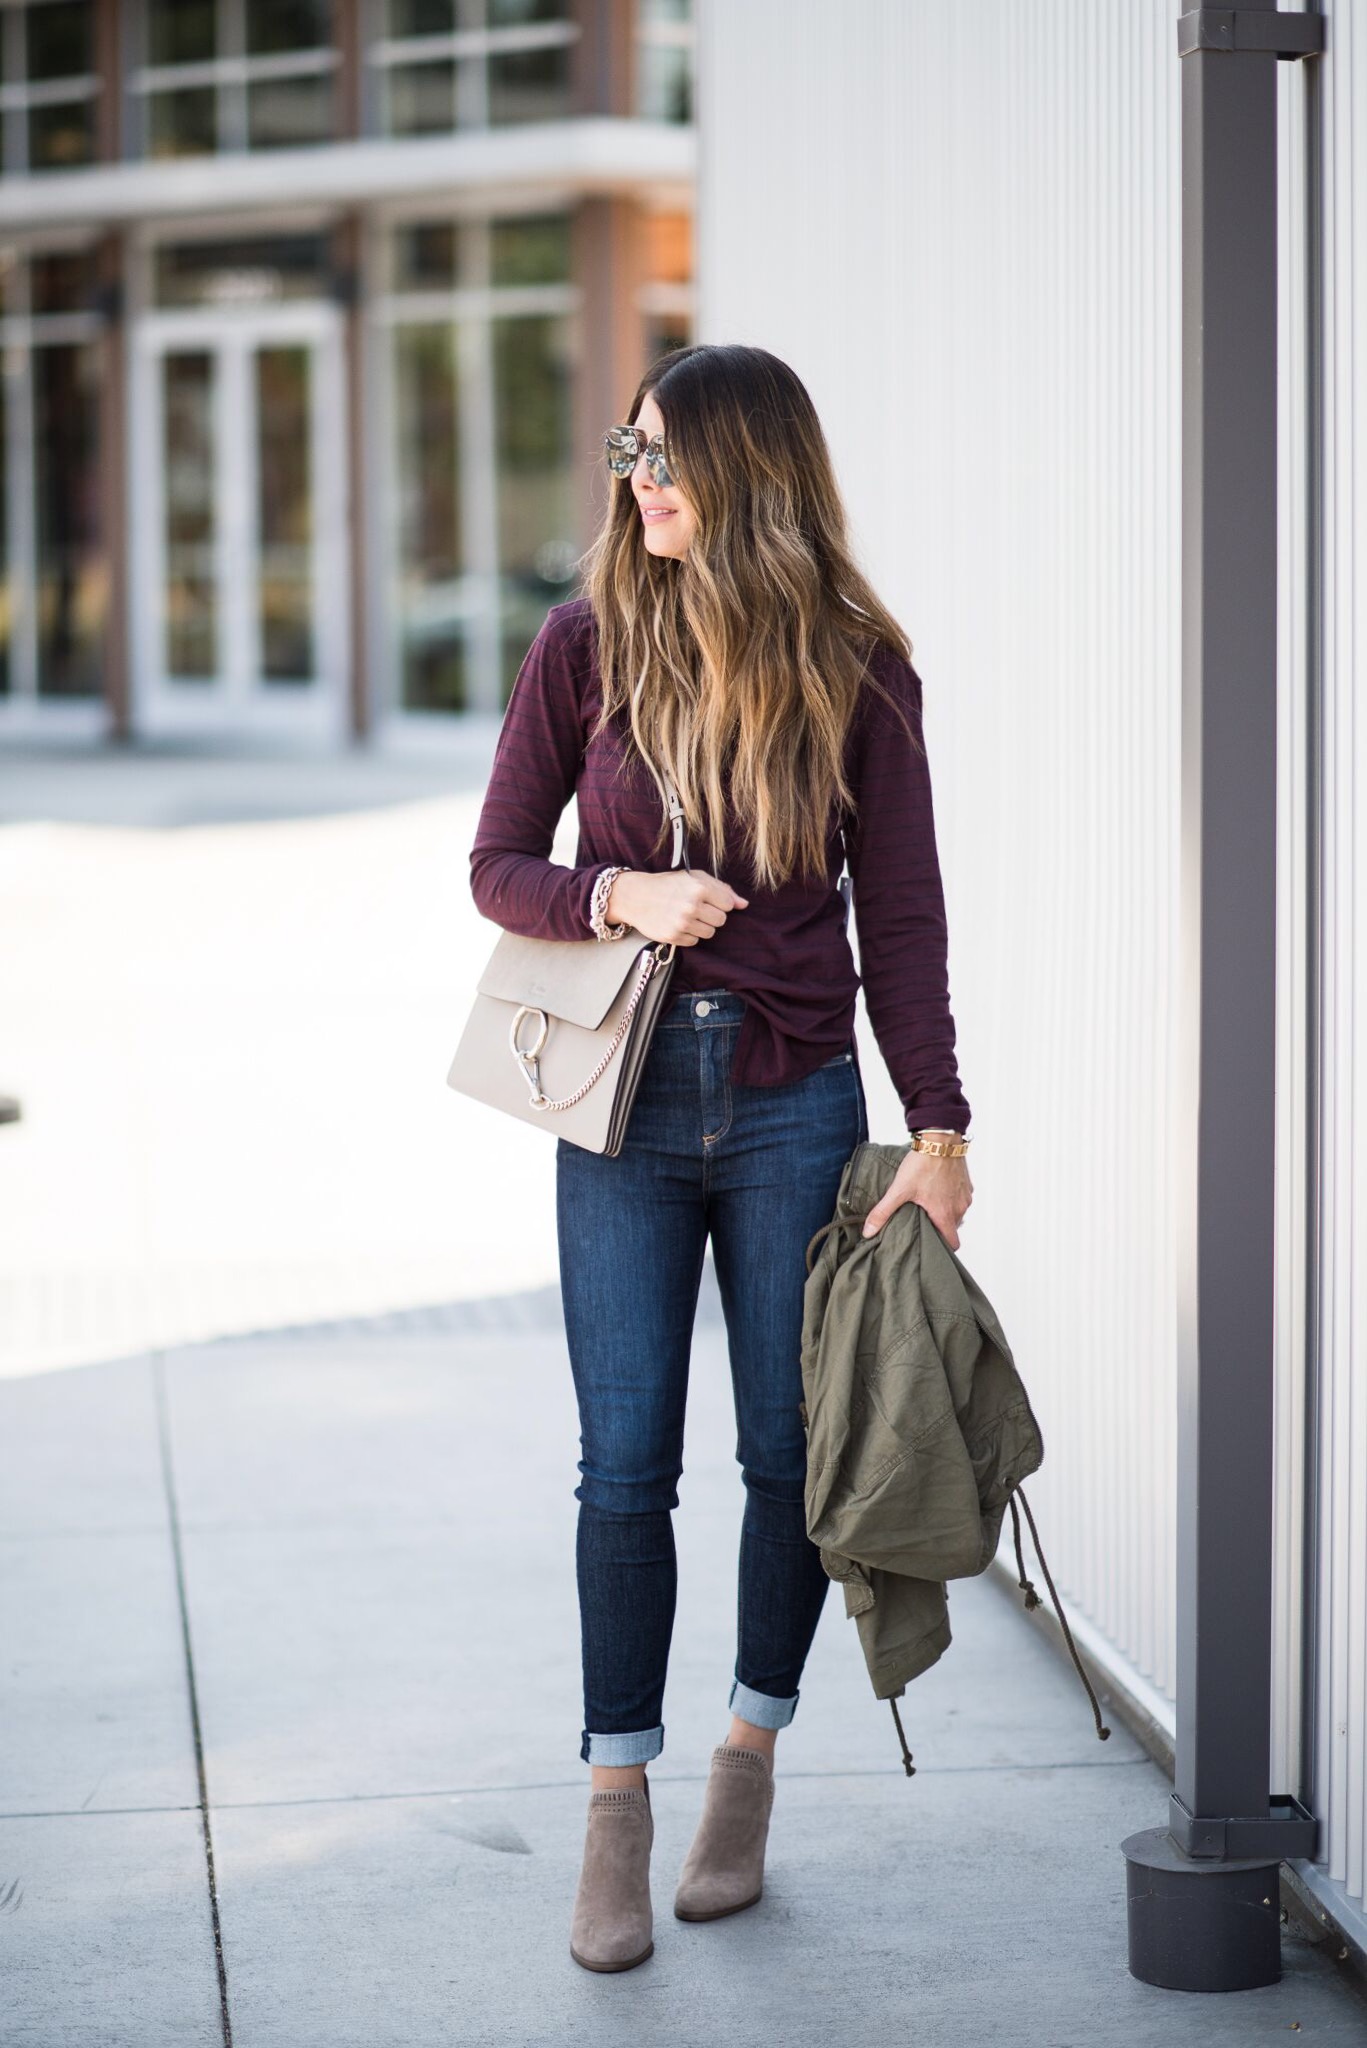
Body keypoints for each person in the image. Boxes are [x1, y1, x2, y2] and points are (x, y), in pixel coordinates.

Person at [468, 342, 974, 1973]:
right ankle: (617, 1807)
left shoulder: (856, 668)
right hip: (616, 1104)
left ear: (755, 473)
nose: (641, 478)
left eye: (670, 455)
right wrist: (615, 897)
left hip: (793, 1106)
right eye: (630, 449)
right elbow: (495, 866)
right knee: (625, 1466)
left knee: (782, 1459)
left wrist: (944, 1129)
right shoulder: (582, 645)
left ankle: (744, 1764)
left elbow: (901, 921)